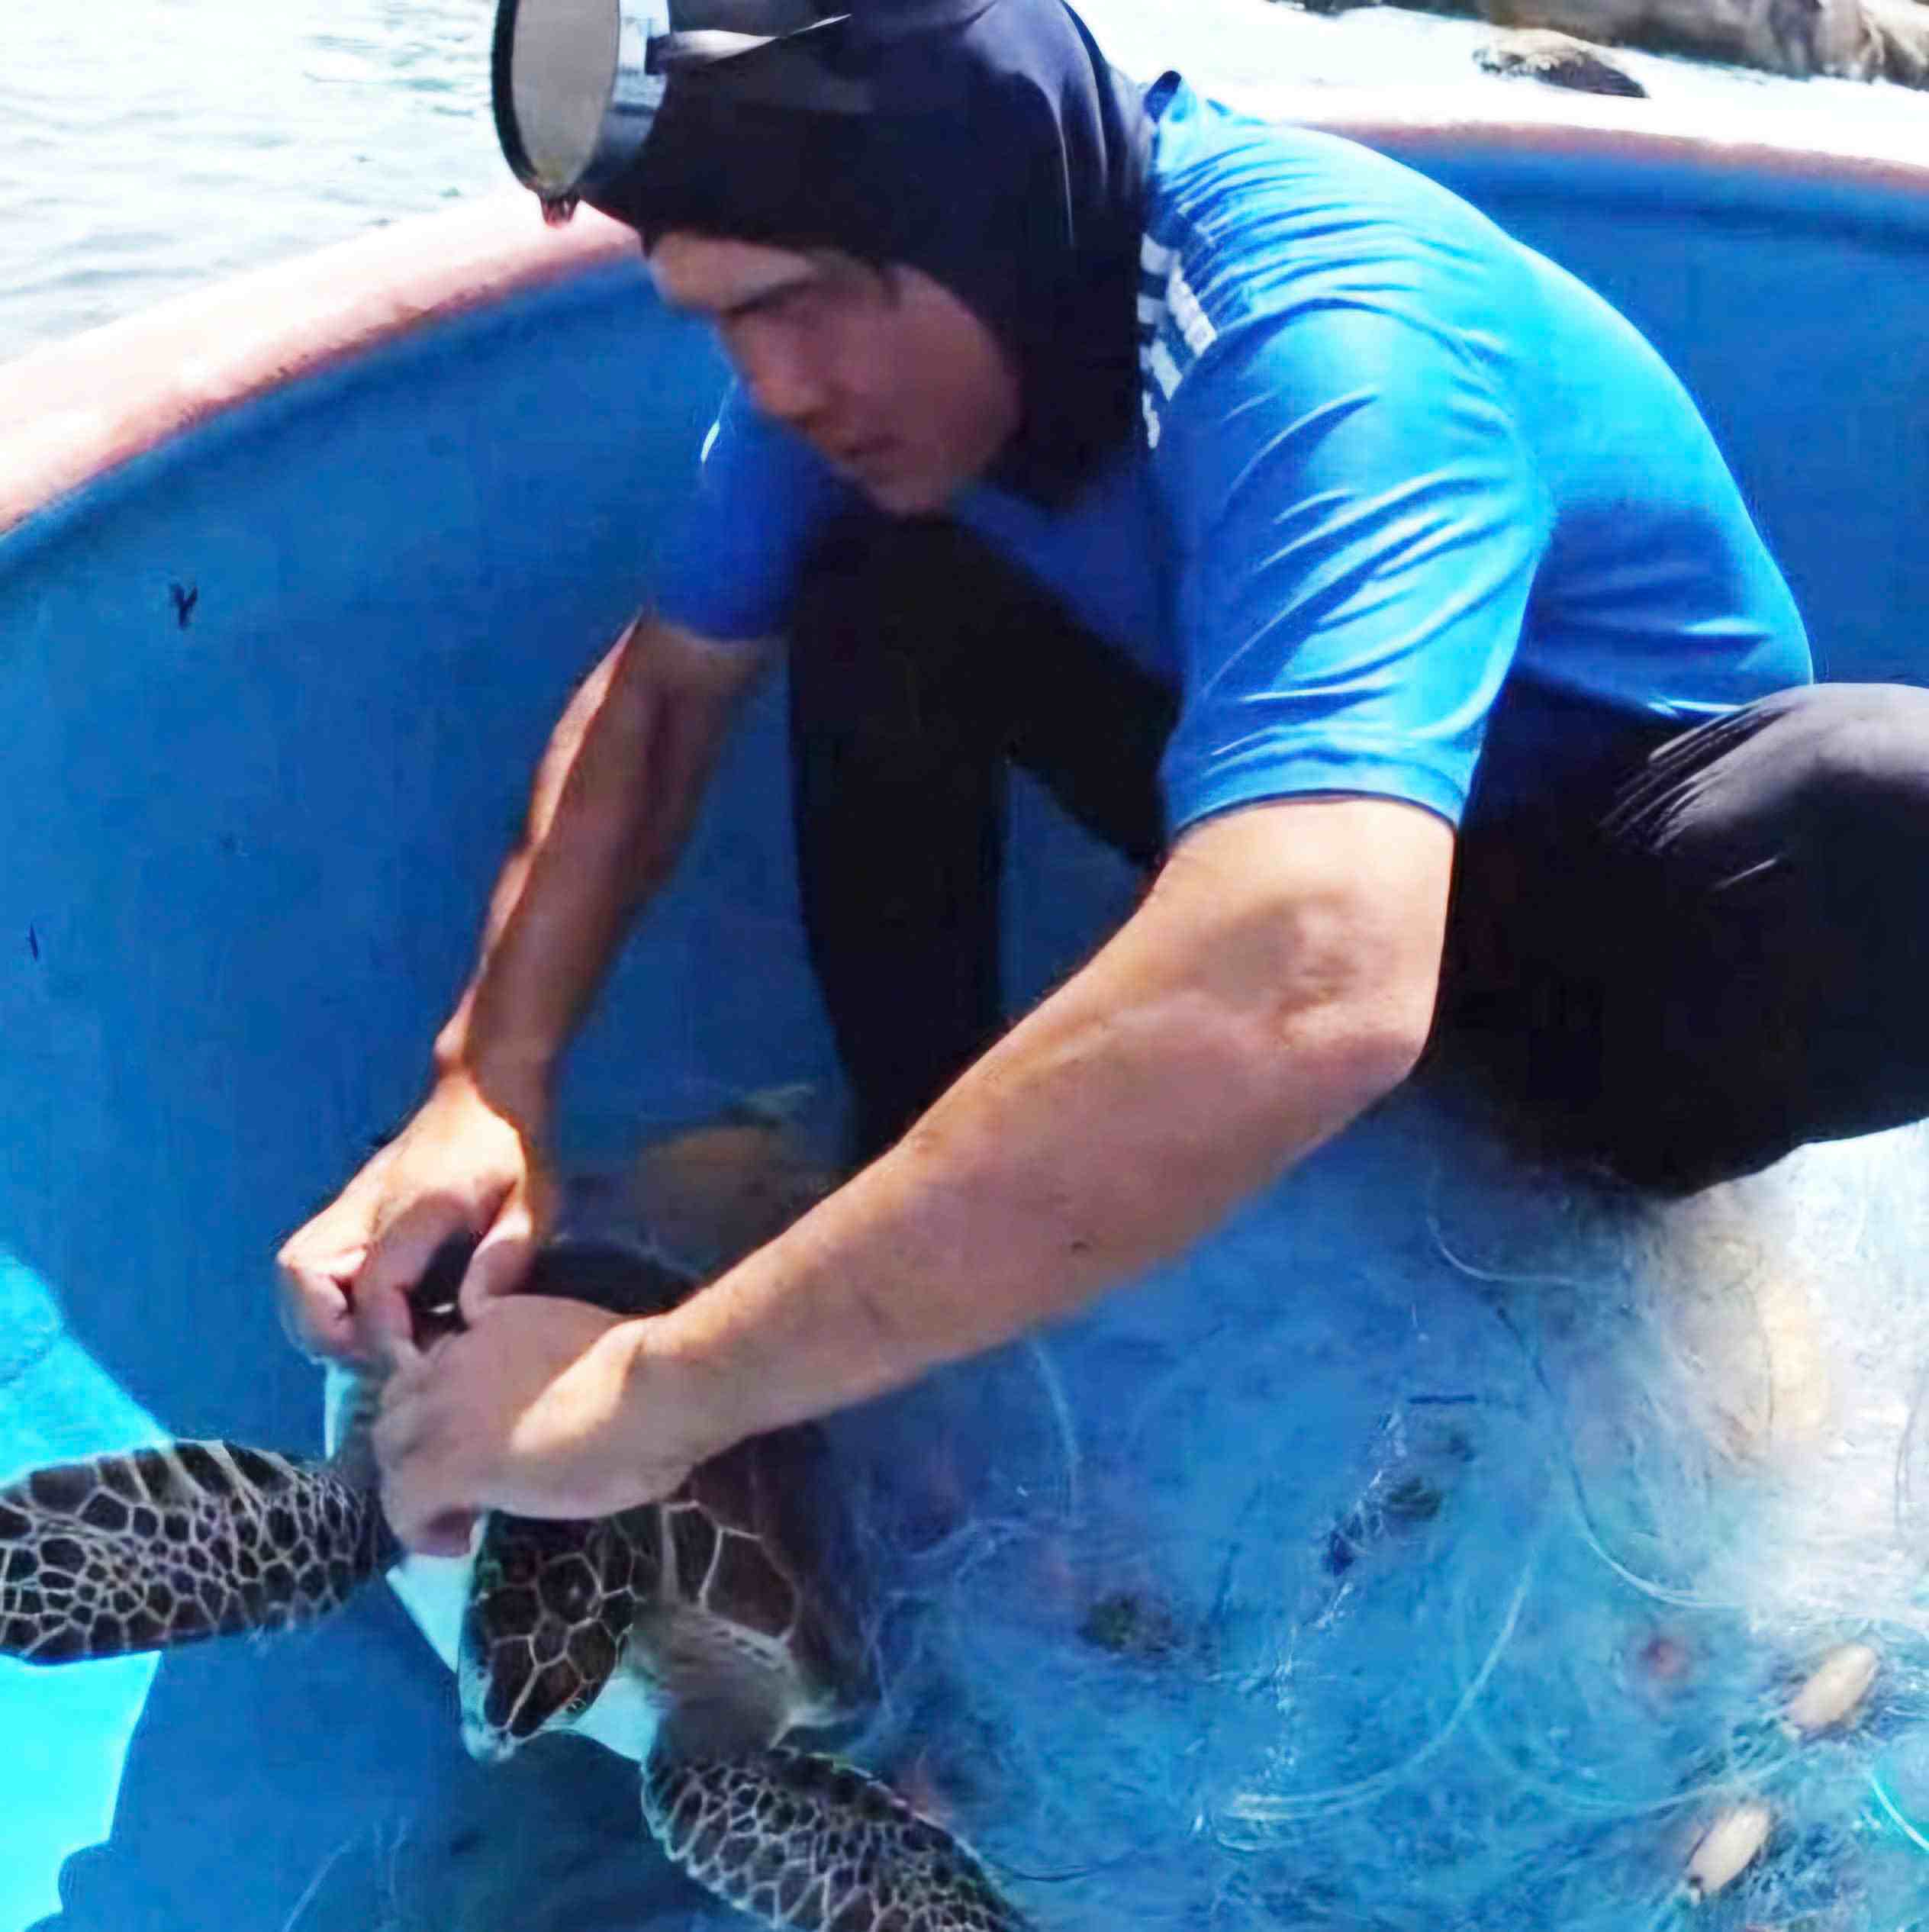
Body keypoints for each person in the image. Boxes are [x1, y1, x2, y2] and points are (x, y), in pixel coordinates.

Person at [277, 0, 1929, 1556]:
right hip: (1279, 841)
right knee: (873, 576)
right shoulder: (859, 377)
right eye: (721, 318)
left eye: (799, 300)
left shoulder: (1324, 332)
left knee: (1877, 801)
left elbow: (1311, 984)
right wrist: (487, 1084)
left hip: (1615, 928)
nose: (773, 383)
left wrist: (655, 1393)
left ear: (983, 219)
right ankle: (903, 1168)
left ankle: (1640, 1238)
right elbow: (658, 705)